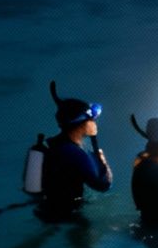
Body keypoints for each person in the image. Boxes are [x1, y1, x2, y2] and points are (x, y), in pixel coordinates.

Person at [38, 87, 112, 221]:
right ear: (82, 123)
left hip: (45, 209)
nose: (94, 123)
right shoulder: (76, 154)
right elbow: (103, 185)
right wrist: (102, 160)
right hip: (67, 215)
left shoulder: (50, 144)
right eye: (92, 119)